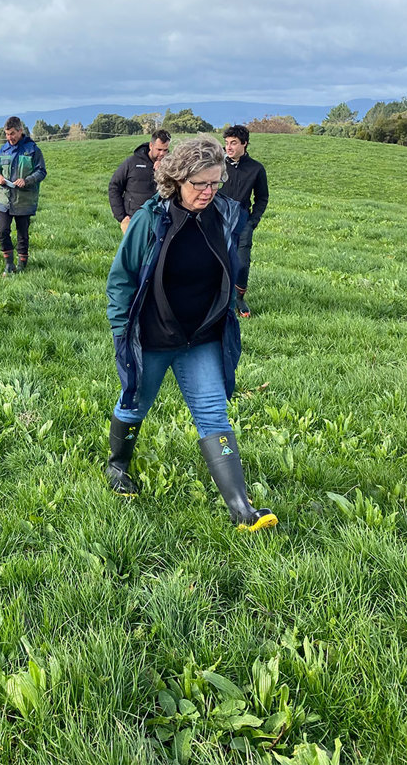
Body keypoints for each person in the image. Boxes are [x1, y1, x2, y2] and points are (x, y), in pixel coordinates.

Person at [105, 136, 276, 532]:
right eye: (199, 184)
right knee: (135, 403)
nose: (208, 192)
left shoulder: (225, 215)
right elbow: (122, 279)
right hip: (152, 337)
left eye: (215, 183)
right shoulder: (151, 218)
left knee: (214, 413)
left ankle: (242, 510)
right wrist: (121, 330)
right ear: (178, 179)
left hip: (200, 337)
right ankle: (118, 467)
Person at [222, 125, 269, 318]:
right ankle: (220, 300)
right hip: (218, 217)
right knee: (219, 260)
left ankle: (239, 299)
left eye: (233, 143)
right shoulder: (217, 165)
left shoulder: (256, 169)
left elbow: (262, 198)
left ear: (244, 144)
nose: (229, 147)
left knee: (241, 263)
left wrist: (252, 222)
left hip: (242, 219)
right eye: (226, 143)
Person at [0, 117, 46, 274]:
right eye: (7, 134)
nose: (10, 137)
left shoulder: (32, 150)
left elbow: (42, 171)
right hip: (4, 199)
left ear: (20, 131)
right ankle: (8, 264)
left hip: (24, 200)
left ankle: (22, 264)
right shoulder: (3, 150)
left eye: (13, 134)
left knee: (22, 233)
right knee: (3, 231)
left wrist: (27, 180)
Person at [108, 129, 171, 232]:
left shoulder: (171, 166)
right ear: (151, 146)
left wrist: (163, 171)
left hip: (161, 220)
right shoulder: (132, 162)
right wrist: (121, 217)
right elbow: (114, 186)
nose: (162, 154)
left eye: (165, 150)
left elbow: (176, 190)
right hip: (134, 219)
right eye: (159, 149)